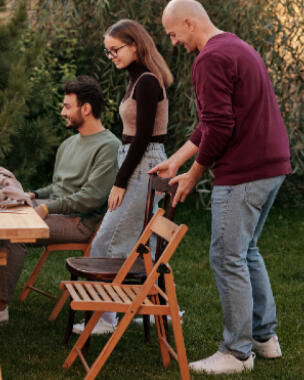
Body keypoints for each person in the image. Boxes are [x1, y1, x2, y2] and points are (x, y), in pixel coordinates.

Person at [153, 0, 291, 374]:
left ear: (188, 22)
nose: (174, 42)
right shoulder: (237, 46)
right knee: (246, 252)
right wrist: (178, 160)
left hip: (244, 173)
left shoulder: (209, 59)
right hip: (271, 167)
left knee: (227, 258)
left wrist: (194, 174)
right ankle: (264, 339)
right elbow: (212, 121)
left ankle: (236, 352)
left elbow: (220, 126)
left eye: (173, 34)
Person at [0, 76, 121, 325]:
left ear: (86, 109)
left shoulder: (108, 146)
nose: (62, 111)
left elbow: (91, 198)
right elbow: (59, 187)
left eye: (67, 106)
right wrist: (31, 195)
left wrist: (45, 207)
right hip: (58, 211)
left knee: (14, 234)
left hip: (80, 222)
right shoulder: (69, 143)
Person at [74, 19, 173, 336]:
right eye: (108, 51)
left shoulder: (146, 82)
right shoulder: (137, 80)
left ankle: (106, 316)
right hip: (138, 160)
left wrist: (119, 182)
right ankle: (158, 307)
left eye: (115, 49)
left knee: (107, 238)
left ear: (135, 45)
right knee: (141, 240)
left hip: (144, 163)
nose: (111, 55)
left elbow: (143, 137)